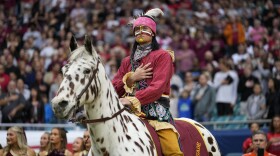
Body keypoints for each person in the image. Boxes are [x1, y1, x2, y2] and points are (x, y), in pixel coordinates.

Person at [112, 8, 183, 155]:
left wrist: (133, 100)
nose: (139, 32)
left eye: (144, 28)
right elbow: (113, 88)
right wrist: (131, 79)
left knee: (172, 151)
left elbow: (157, 88)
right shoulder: (126, 61)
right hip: (126, 111)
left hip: (156, 112)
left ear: (153, 32)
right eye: (136, 29)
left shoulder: (163, 56)